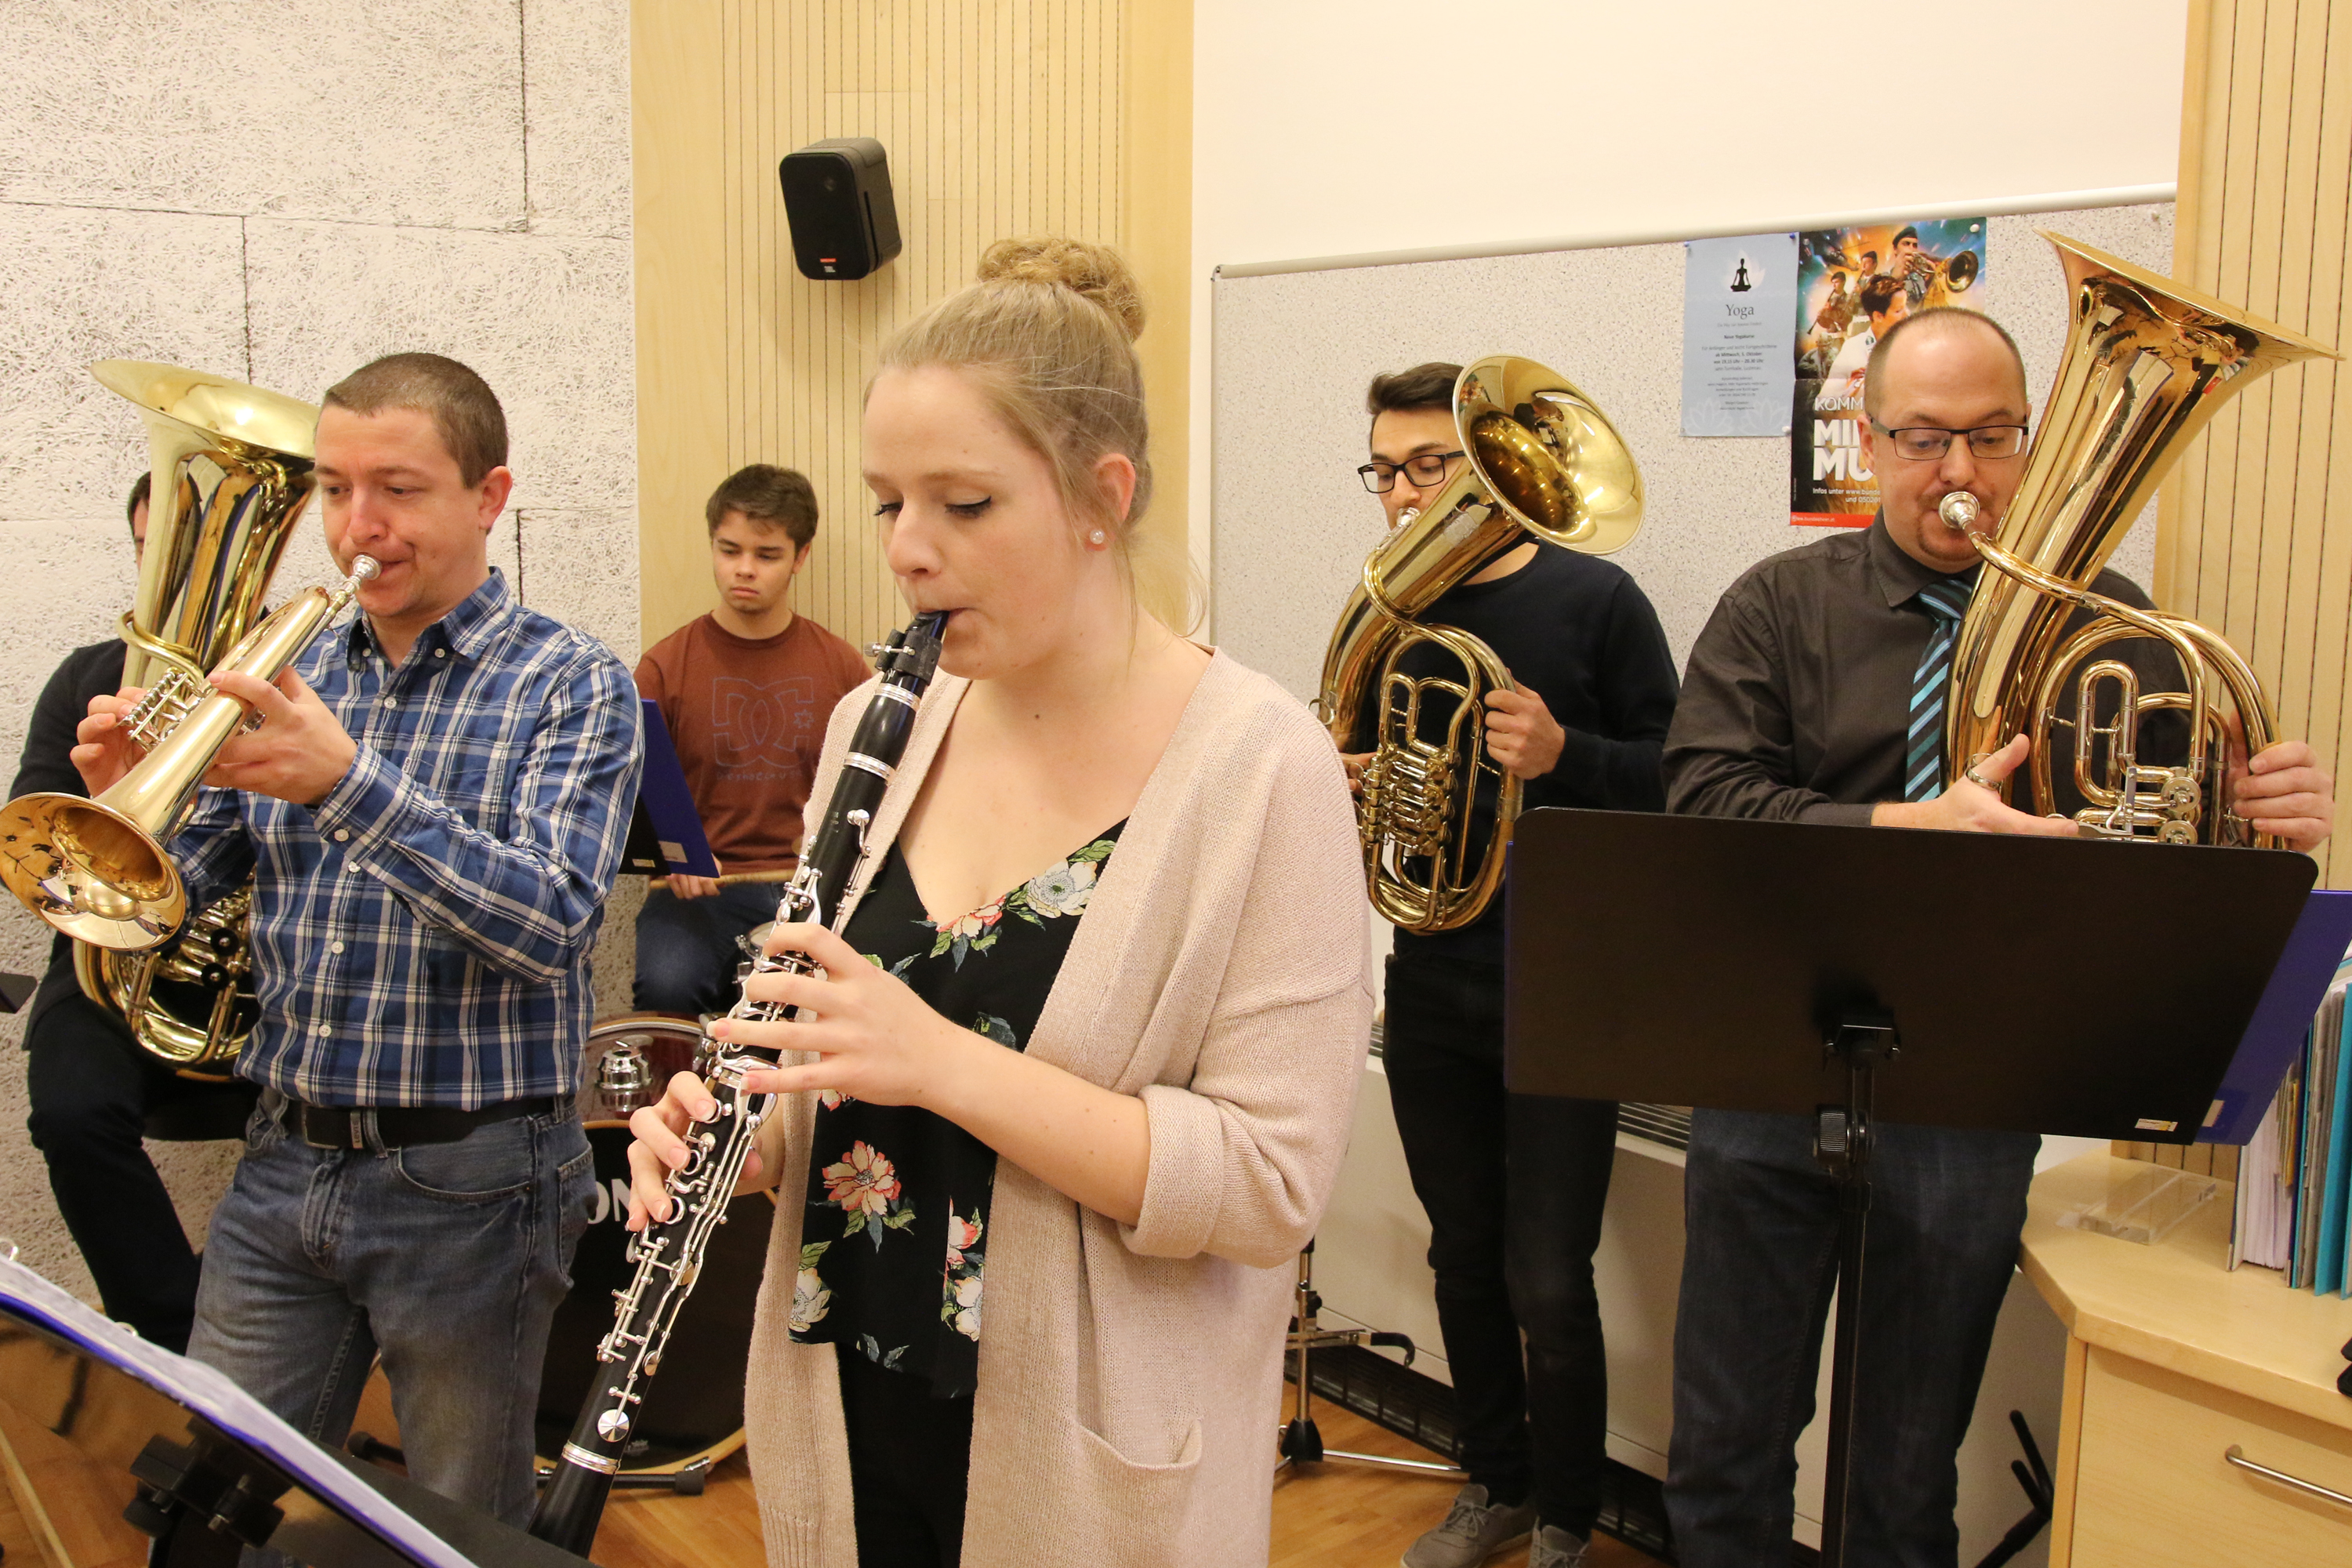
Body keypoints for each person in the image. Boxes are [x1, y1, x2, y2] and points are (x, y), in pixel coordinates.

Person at [623, 238, 1370, 1568]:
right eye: (886, 504)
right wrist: (743, 1135)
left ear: (1102, 498)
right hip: (844, 1388)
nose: (909, 553)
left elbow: (1267, 1189)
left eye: (964, 505)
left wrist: (941, 1063)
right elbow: (828, 1068)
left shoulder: (1263, 769)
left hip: (1082, 1454)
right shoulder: (877, 723)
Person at [1660, 305, 2334, 1568]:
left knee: (1908, 1477)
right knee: (1724, 1455)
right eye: (1924, 438)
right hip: (1768, 1072)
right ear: (1871, 443)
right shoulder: (1778, 605)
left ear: (2033, 441)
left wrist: (2264, 831)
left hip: (1974, 1094)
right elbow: (1703, 804)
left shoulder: (2115, 626)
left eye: (1992, 436)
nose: (1959, 471)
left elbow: (2166, 880)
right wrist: (1913, 827)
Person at [70, 353, 642, 1531]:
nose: (355, 527)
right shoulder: (288, 668)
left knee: (456, 1526)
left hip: (475, 1179)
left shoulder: (571, 682)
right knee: (201, 1507)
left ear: (489, 497)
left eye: (398, 489)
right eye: (333, 489)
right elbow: (190, 888)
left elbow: (550, 922)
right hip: (284, 1156)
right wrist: (135, 807)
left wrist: (344, 783)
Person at [1335, 365, 1680, 1568]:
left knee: (1548, 1276)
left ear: (1489, 465)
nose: (1402, 494)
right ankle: (1496, 1484)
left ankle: (1572, 1519)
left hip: (1565, 984)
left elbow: (1685, 778)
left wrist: (1563, 750)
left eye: (1428, 466)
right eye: (1385, 470)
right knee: (1462, 1256)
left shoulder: (1599, 601)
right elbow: (1366, 762)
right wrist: (1353, 778)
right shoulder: (1393, 613)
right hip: (1433, 973)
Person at [17, 473, 258, 1355]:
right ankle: (174, 1338)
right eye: (160, 556)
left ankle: (272, 1326)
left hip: (264, 976)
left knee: (330, 1120)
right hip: (106, 970)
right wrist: (111, 795)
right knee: (71, 1113)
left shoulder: (298, 684)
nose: (181, 582)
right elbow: (37, 844)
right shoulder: (89, 678)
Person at [633, 463, 870, 1018]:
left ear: (800, 557)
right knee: (666, 990)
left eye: (767, 555)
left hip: (811, 890)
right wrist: (673, 856)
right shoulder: (663, 667)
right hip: (696, 893)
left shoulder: (841, 668)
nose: (744, 569)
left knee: (844, 1003)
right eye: (729, 550)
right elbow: (628, 793)